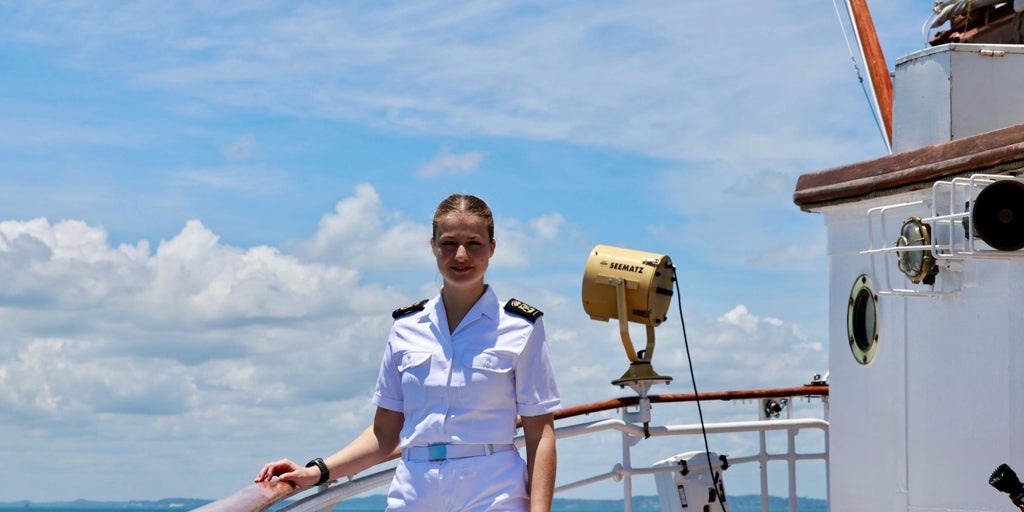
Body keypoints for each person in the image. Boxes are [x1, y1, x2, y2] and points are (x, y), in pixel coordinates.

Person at [256, 193, 560, 512]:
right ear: (432, 247)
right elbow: (383, 433)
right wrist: (316, 472)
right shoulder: (406, 326)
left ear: (492, 248)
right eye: (448, 243)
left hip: (492, 490)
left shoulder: (522, 327)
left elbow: (541, 434)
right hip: (414, 492)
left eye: (474, 243)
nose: (460, 254)